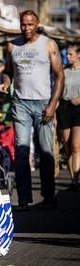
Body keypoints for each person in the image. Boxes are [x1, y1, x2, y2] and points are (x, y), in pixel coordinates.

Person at [3, 10, 65, 210]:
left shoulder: (48, 44)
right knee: (21, 151)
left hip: (43, 103)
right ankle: (23, 198)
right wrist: (5, 82)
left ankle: (48, 195)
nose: (26, 28)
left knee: (45, 150)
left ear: (37, 24)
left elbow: (59, 76)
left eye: (30, 24)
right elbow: (8, 72)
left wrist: (52, 105)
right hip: (20, 103)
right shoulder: (12, 45)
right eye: (23, 24)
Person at [59, 43, 80, 190]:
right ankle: (73, 176)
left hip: (79, 108)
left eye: (70, 54)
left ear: (78, 54)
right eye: (66, 54)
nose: (67, 56)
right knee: (66, 146)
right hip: (65, 108)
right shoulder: (63, 71)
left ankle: (75, 181)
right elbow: (57, 91)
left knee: (75, 146)